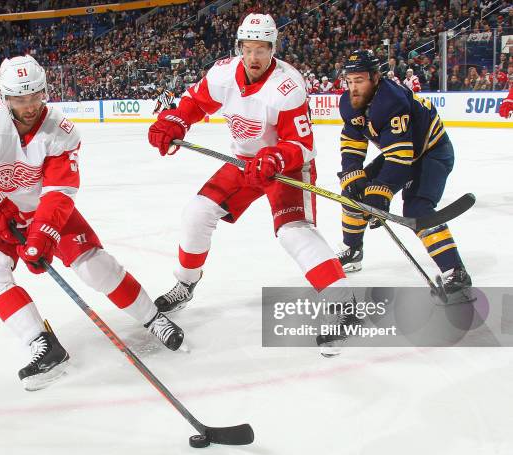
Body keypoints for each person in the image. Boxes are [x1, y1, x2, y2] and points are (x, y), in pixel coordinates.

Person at [0, 55, 184, 391]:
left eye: (35, 95)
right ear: (5, 98)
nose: (29, 105)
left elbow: (59, 193)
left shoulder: (61, 131)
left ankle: (153, 318)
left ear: (44, 91)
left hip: (44, 210)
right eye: (20, 99)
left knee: (95, 265)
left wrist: (42, 234)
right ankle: (43, 343)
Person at [147, 13, 353, 354]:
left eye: (262, 49)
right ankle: (186, 284)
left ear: (273, 48)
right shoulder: (224, 73)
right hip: (243, 162)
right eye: (248, 48)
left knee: (293, 231)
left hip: (286, 166)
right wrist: (175, 120)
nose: (254, 57)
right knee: (197, 212)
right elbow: (196, 102)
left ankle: (343, 306)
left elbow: (300, 144)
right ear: (239, 47)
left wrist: (275, 158)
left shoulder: (287, 86)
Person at [336, 50, 472, 302]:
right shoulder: (349, 101)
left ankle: (455, 270)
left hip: (432, 151)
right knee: (353, 194)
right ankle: (353, 249)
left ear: (376, 77)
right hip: (401, 152)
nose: (353, 87)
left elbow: (401, 158)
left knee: (417, 207)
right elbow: (352, 140)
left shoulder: (392, 100)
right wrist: (352, 173)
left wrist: (380, 195)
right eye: (350, 81)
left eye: (360, 80)